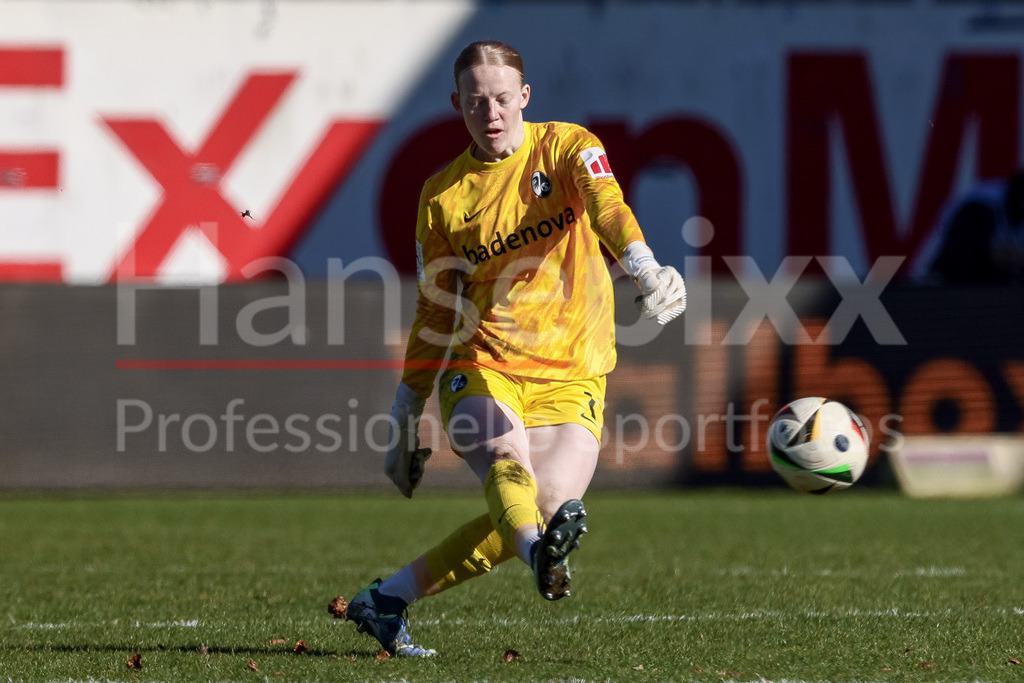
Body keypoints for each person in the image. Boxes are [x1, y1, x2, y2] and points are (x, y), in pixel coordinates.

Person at [331, 40, 686, 657]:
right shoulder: (443, 196)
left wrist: (643, 265)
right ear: (457, 107)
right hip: (482, 363)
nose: (490, 114)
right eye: (475, 103)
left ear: (525, 97)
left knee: (540, 510)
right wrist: (404, 412)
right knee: (506, 460)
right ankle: (538, 559)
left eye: (500, 99)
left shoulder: (571, 147)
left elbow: (607, 206)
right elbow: (436, 307)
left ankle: (385, 599)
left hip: (574, 370)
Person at [916, 169, 1024, 284]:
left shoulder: (1014, 206)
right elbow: (963, 261)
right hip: (940, 281)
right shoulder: (979, 208)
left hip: (976, 286)